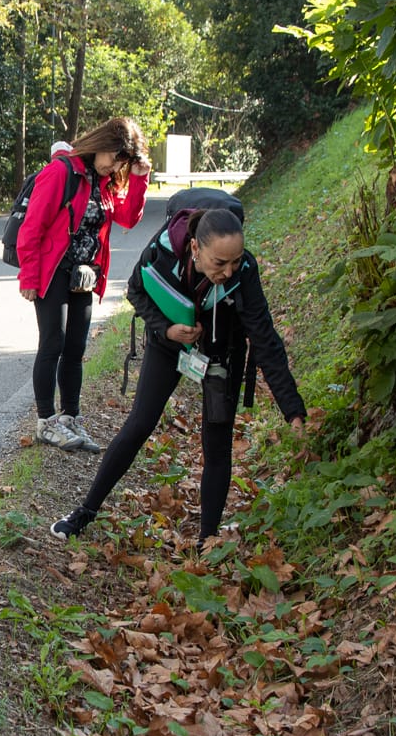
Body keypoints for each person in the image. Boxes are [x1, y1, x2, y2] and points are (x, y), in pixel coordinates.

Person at [49, 206, 306, 547]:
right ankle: (84, 512)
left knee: (217, 442)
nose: (229, 271)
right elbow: (136, 290)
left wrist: (293, 410)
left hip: (221, 351)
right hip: (168, 343)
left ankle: (207, 541)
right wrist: (167, 330)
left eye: (236, 260)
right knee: (139, 424)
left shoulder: (244, 270)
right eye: (219, 263)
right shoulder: (163, 250)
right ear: (196, 249)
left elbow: (265, 339)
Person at [17, 118, 152, 454]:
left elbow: (127, 218)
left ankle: (70, 418)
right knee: (53, 343)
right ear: (102, 145)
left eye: (124, 161)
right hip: (53, 271)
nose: (117, 165)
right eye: (117, 157)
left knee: (75, 349)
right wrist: (30, 278)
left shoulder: (102, 181)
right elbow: (32, 228)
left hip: (85, 274)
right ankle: (46, 422)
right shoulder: (61, 172)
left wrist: (138, 179)